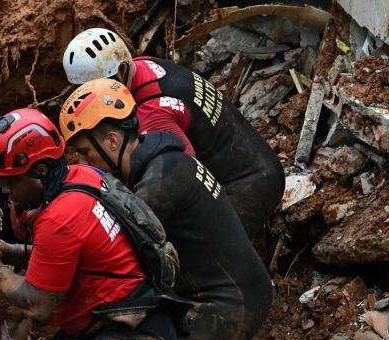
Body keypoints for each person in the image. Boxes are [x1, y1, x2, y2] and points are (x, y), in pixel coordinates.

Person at [59, 78, 274, 340]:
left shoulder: (161, 179)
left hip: (227, 301)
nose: (81, 163)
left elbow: (112, 246)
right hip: (207, 291)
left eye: (84, 152)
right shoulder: (158, 158)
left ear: (111, 141)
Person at [0, 108, 179, 340]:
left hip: (131, 335)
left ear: (40, 170)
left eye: (11, 180)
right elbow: (67, 259)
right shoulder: (82, 176)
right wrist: (8, 251)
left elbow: (36, 303)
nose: (5, 191)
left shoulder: (59, 218)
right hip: (135, 318)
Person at [62, 27, 285, 238]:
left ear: (121, 72)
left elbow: (179, 177)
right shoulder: (145, 66)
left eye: (98, 88)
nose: (93, 98)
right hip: (258, 161)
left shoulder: (152, 111)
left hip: (247, 187)